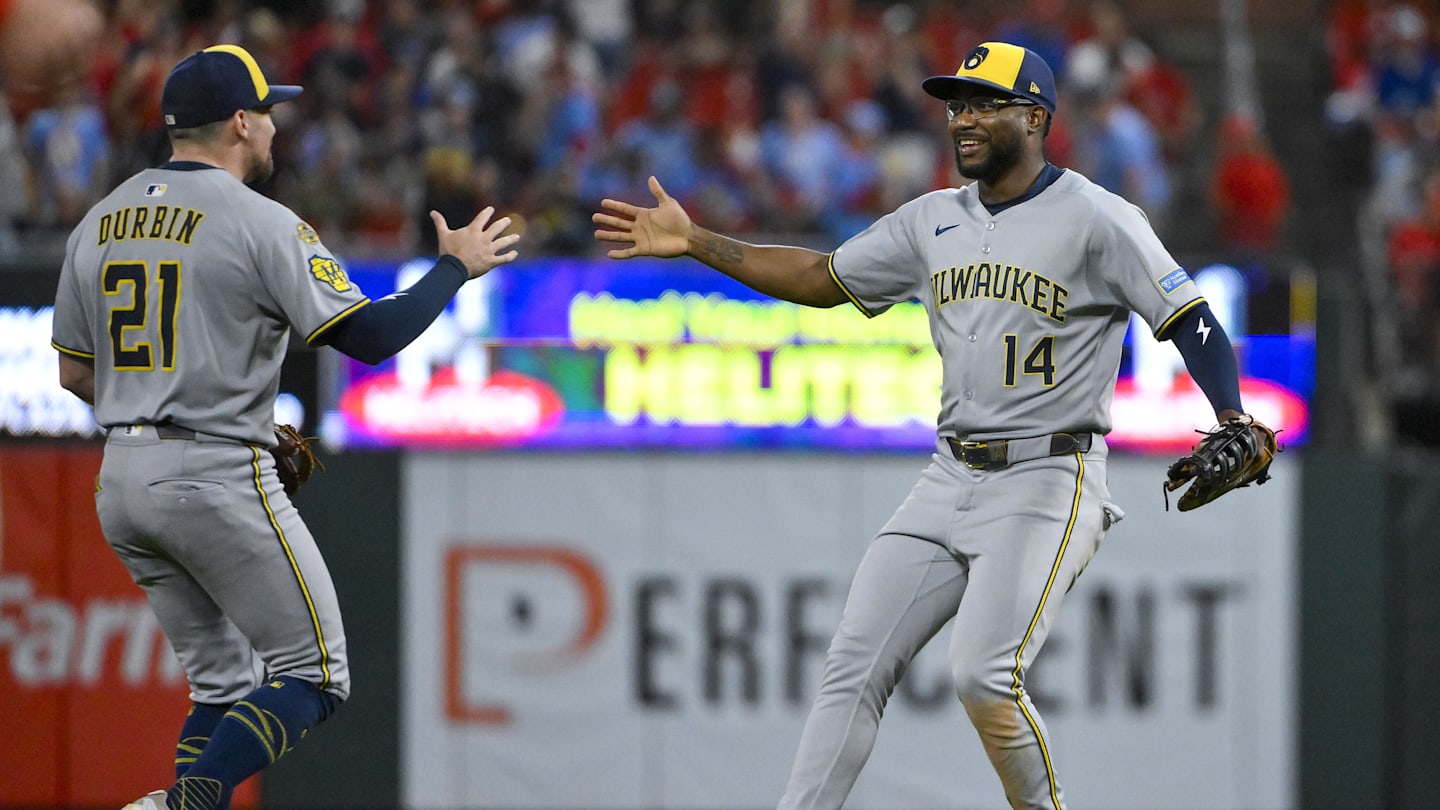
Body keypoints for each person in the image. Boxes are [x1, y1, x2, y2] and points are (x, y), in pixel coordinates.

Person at [594, 41, 1252, 810]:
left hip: (1049, 473)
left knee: (982, 675)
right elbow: (821, 278)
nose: (964, 119)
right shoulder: (931, 219)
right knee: (853, 663)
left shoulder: (1098, 217)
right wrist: (698, 242)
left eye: (984, 104)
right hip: (949, 475)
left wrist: (1232, 414)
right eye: (957, 104)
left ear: (1034, 117)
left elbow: (1191, 317)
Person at [49, 44, 520, 810]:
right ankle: (180, 805)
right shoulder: (260, 220)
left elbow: (74, 374)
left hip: (121, 479)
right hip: (212, 471)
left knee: (223, 684)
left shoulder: (99, 222)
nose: (273, 127)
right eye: (267, 112)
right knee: (316, 673)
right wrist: (454, 268)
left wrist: (161, 400)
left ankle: (179, 807)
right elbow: (370, 337)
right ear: (239, 121)